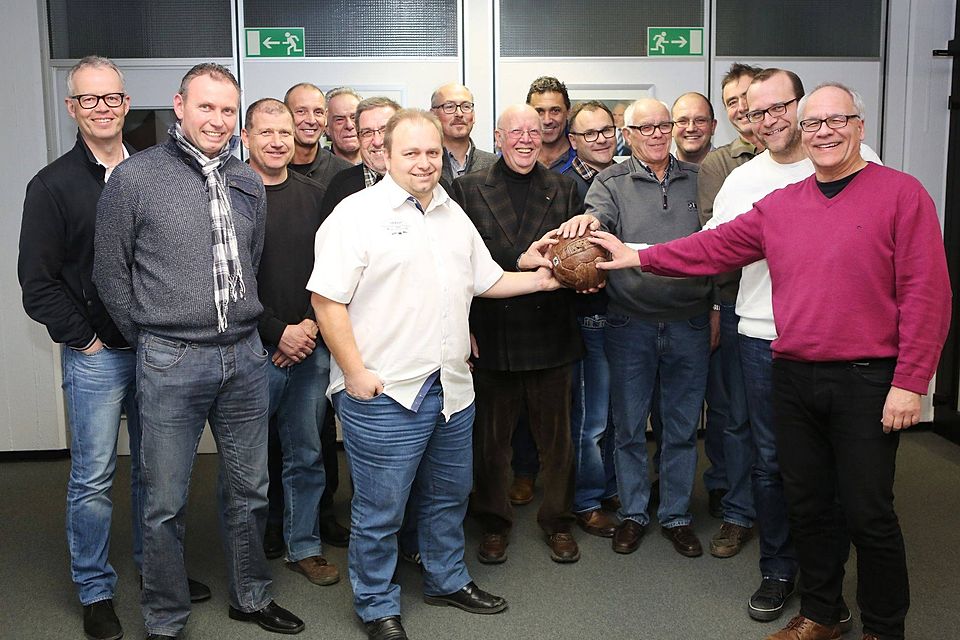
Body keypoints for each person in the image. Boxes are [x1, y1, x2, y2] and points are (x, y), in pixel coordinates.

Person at [590, 81, 950, 640]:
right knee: (805, 503)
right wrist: (637, 254)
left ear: (859, 126)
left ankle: (884, 627)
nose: (825, 131)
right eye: (815, 123)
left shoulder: (902, 195)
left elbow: (929, 295)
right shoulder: (780, 205)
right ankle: (823, 612)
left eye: (837, 120)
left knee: (868, 513)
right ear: (801, 134)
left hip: (868, 379)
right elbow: (712, 246)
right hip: (793, 373)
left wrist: (911, 382)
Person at [309, 108, 560, 640]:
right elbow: (325, 301)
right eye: (411, 153)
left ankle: (446, 579)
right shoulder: (356, 215)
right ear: (385, 153)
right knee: (381, 510)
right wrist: (354, 373)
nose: (423, 163)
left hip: (451, 388)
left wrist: (543, 280)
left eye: (430, 153)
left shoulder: (450, 212)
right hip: (384, 391)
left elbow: (486, 281)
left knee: (448, 495)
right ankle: (376, 604)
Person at [94, 63, 303, 639]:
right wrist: (150, 339)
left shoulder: (248, 180)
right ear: (179, 105)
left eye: (228, 110)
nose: (217, 119)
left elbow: (251, 258)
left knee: (250, 487)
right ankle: (164, 618)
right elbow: (110, 273)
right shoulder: (135, 178)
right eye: (206, 107)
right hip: (171, 358)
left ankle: (251, 596)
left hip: (243, 359)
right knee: (164, 502)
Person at [17, 54, 210, 640]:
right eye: (89, 99)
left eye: (111, 98)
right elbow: (38, 283)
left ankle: (159, 573)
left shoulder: (157, 172)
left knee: (157, 474)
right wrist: (89, 340)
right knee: (94, 477)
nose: (102, 108)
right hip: (98, 357)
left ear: (126, 105)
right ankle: (96, 589)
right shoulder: (52, 185)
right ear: (73, 108)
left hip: (158, 352)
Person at [568, 98, 711, 558]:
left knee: (681, 428)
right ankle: (633, 513)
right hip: (629, 324)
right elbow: (597, 224)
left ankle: (675, 515)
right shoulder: (611, 181)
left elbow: (721, 240)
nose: (655, 133)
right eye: (643, 127)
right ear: (626, 134)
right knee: (628, 427)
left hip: (688, 322)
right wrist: (589, 228)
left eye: (661, 125)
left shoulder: (700, 177)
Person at [452, 104, 584, 565]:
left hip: (552, 334)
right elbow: (461, 259)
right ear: (499, 136)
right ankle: (494, 523)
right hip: (493, 335)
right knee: (490, 445)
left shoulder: (567, 189)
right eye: (516, 131)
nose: (526, 138)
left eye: (534, 130)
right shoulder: (466, 189)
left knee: (558, 443)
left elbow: (578, 254)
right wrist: (519, 259)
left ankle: (558, 522)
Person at [241, 97, 341, 587]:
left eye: (284, 133)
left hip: (310, 346)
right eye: (266, 133)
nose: (278, 141)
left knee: (306, 453)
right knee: (251, 461)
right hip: (250, 352)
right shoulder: (229, 195)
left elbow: (331, 272)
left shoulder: (316, 194)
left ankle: (304, 546)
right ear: (246, 138)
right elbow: (230, 280)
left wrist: (306, 328)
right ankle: (252, 549)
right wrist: (276, 332)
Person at [693, 62, 763, 534]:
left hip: (796, 309)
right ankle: (737, 507)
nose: (741, 109)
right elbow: (714, 243)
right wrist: (717, 306)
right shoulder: (720, 164)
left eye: (747, 99)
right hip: (739, 301)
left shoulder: (809, 154)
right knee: (734, 414)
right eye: (732, 101)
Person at [561, 100, 619, 537]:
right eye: (590, 134)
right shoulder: (563, 187)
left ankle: (615, 487)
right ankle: (586, 499)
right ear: (573, 141)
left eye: (607, 130)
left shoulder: (626, 176)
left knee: (623, 414)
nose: (601, 139)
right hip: (589, 316)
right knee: (592, 419)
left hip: (629, 314)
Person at [320, 97, 400, 217]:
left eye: (385, 130)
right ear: (358, 138)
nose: (377, 141)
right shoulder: (340, 185)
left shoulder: (421, 178)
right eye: (367, 132)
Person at [284, 82, 353, 187]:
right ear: (285, 114)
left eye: (318, 112)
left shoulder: (345, 173)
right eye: (301, 111)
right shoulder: (268, 169)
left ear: (325, 117)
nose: (311, 120)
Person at [430, 82, 497, 184]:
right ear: (433, 115)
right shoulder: (426, 164)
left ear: (473, 115)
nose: (459, 114)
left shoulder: (494, 164)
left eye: (466, 106)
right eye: (449, 107)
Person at [527, 76, 575, 172]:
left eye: (555, 111)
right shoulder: (512, 158)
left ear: (568, 112)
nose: (547, 121)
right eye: (539, 111)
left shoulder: (584, 157)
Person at [671, 92, 717, 165]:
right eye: (682, 121)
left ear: (713, 126)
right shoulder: (655, 172)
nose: (691, 129)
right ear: (671, 128)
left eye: (700, 121)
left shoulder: (732, 171)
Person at [325, 86, 362, 164]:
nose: (349, 126)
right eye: (339, 119)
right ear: (327, 128)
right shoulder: (318, 173)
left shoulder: (386, 167)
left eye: (354, 118)